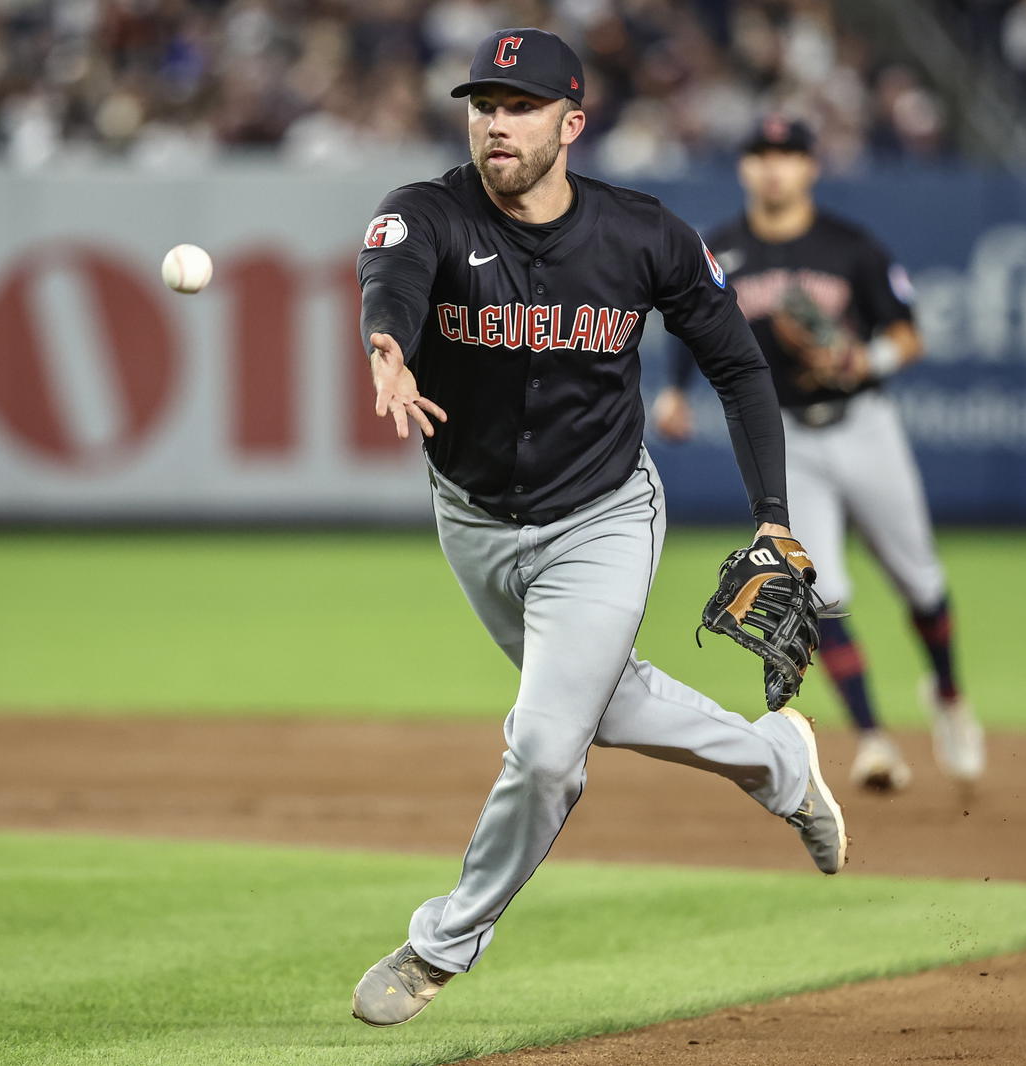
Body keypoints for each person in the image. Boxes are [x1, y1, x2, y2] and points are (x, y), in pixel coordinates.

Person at [349, 30, 847, 1028]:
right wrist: (386, 347)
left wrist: (772, 519)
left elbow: (740, 369)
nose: (495, 120)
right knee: (600, 703)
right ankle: (779, 764)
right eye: (484, 102)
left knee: (544, 747)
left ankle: (441, 943)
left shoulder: (644, 234)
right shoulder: (425, 212)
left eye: (520, 104)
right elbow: (393, 286)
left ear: (570, 124)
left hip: (603, 514)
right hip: (474, 518)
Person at [651, 117, 985, 794]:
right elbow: (689, 324)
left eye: (788, 155)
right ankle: (872, 740)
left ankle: (948, 696)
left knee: (920, 583)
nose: (774, 167)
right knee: (821, 591)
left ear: (810, 167)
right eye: (761, 153)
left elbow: (907, 335)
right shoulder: (720, 249)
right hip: (787, 436)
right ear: (744, 168)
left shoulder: (849, 246)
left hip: (865, 425)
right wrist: (676, 393)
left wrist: (867, 359)